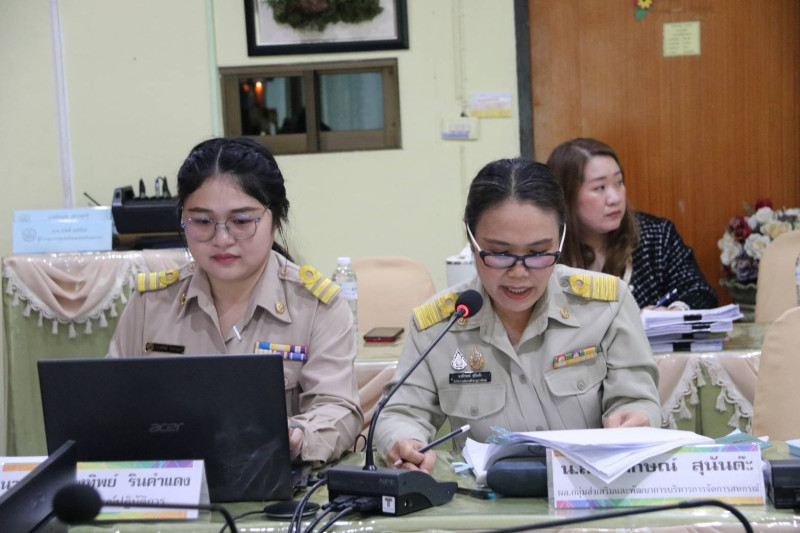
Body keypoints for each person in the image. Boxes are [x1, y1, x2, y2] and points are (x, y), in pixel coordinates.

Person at [374, 158, 660, 473]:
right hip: (485, 497)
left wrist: (636, 418)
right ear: (471, 240)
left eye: (538, 253)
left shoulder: (607, 306)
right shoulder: (440, 324)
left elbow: (636, 400)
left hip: (589, 488)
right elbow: (401, 413)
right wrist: (404, 442)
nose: (519, 273)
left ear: (561, 237)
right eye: (499, 253)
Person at [107, 137, 363, 464]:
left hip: (275, 482)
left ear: (275, 219)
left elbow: (338, 409)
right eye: (202, 222)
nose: (222, 239)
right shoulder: (150, 304)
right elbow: (110, 403)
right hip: (169, 480)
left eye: (241, 221)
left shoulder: (315, 306)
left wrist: (299, 434)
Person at [547, 138, 718, 310]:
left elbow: (700, 293)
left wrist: (674, 312)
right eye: (600, 187)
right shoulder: (546, 251)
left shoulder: (657, 235)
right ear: (565, 196)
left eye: (619, 182)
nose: (615, 198)